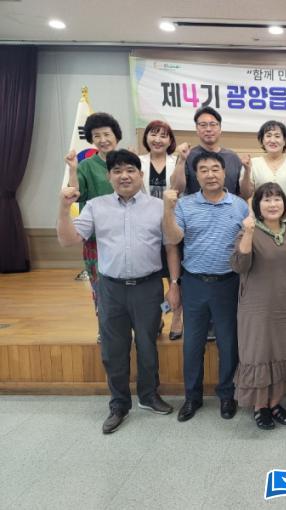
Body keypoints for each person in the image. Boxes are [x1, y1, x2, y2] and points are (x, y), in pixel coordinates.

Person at [57, 149, 173, 434]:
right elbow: (68, 239)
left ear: (140, 175)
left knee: (147, 344)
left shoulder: (158, 207)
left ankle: (149, 395)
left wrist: (174, 285)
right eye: (117, 171)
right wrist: (63, 208)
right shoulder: (95, 206)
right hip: (111, 288)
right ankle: (119, 404)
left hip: (148, 286)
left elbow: (172, 245)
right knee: (114, 349)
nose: (124, 176)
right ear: (109, 176)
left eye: (130, 170)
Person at [163, 150, 249, 423]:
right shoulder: (185, 205)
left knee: (228, 343)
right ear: (196, 175)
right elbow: (173, 238)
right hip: (194, 283)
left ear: (225, 173)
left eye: (215, 169)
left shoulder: (239, 206)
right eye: (203, 170)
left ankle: (227, 395)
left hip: (228, 283)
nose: (210, 175)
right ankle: (192, 397)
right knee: (193, 344)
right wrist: (168, 210)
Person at [231, 182, 286, 430]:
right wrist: (247, 233)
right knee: (259, 353)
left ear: (284, 204)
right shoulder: (249, 230)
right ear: (258, 205)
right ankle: (260, 406)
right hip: (256, 308)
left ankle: (275, 403)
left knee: (283, 352)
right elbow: (239, 265)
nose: (273, 204)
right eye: (266, 199)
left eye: (277, 199)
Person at [64, 112, 122, 340]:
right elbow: (75, 193)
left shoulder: (127, 160)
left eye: (107, 134)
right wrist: (72, 169)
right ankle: (104, 329)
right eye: (97, 135)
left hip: (127, 235)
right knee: (101, 287)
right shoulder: (86, 165)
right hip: (97, 240)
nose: (103, 139)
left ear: (116, 135)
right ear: (91, 139)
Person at [139, 119, 183, 340]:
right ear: (146, 137)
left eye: (163, 135)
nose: (158, 139)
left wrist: (182, 162)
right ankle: (157, 317)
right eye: (153, 134)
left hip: (173, 222)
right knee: (151, 277)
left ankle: (177, 316)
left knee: (175, 276)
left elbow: (182, 188)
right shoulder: (137, 161)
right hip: (146, 225)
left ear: (170, 141)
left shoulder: (177, 161)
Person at [170, 105, 253, 199]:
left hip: (229, 208)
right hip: (195, 208)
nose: (208, 129)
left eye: (213, 124)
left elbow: (246, 195)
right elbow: (176, 189)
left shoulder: (232, 157)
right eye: (203, 125)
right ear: (197, 129)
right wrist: (181, 160)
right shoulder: (187, 155)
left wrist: (247, 171)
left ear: (220, 129)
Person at [246, 120, 286, 229]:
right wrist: (254, 213)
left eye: (277, 136)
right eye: (268, 136)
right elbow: (248, 195)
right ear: (262, 140)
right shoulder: (253, 163)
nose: (272, 140)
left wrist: (283, 213)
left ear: (285, 141)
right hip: (261, 222)